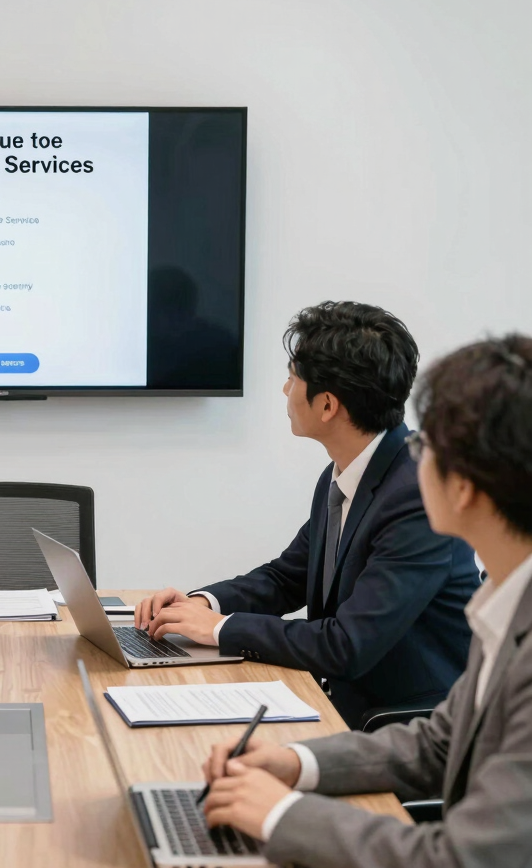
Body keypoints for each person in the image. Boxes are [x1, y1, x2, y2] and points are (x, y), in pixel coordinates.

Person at [198, 333, 532, 868]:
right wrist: (294, 763)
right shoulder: (507, 602)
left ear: (464, 489)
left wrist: (282, 815)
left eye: (426, 445)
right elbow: (438, 744)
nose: (411, 453)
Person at [135, 301, 479, 728]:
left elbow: (347, 645)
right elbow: (287, 577)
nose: (285, 390)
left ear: (328, 405)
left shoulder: (418, 495)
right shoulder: (348, 473)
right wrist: (201, 603)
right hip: (342, 702)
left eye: (293, 377)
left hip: (405, 725)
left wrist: (219, 628)